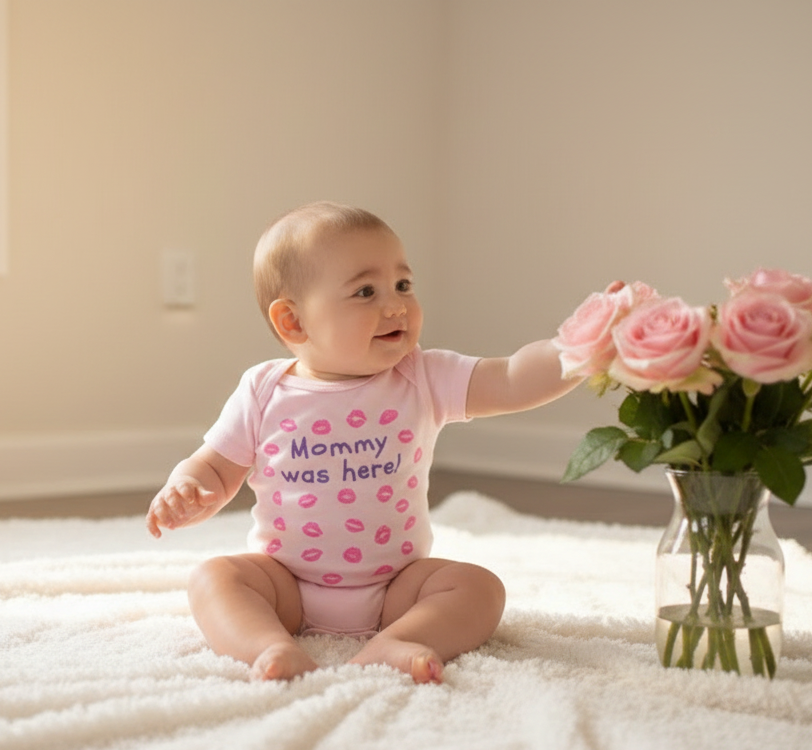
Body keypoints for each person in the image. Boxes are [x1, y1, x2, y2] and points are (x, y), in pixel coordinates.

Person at [146, 201, 614, 684]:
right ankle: (269, 646)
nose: (396, 306)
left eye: (403, 285)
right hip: (286, 582)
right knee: (215, 579)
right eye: (366, 291)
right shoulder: (263, 390)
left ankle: (398, 640)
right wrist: (187, 487)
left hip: (397, 586)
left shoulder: (423, 377)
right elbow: (215, 467)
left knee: (480, 588)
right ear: (293, 323)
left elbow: (514, 379)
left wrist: (580, 345)